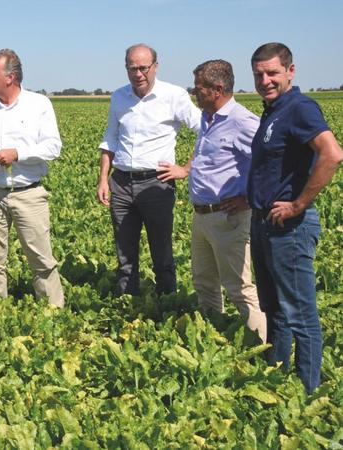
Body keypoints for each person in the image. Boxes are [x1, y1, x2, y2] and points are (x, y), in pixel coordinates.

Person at [248, 42, 343, 393]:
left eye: (272, 72)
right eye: (259, 74)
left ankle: (308, 394)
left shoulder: (300, 107)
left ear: (291, 71)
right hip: (264, 224)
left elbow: (332, 154)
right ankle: (276, 378)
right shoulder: (273, 110)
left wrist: (298, 204)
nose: (265, 80)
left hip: (289, 227)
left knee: (300, 314)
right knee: (274, 307)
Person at [159, 60, 266, 342]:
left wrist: (249, 198)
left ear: (217, 89)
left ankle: (266, 351)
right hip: (202, 215)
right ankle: (213, 334)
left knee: (239, 287)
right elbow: (205, 156)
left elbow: (270, 164)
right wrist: (185, 168)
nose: (194, 94)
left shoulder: (242, 122)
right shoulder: (208, 118)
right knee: (204, 282)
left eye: (199, 89)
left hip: (228, 217)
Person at [0, 49, 64, 307]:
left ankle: (53, 311)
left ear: (11, 77)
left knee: (41, 259)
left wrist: (17, 154)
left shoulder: (39, 105)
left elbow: (53, 147)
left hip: (28, 193)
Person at [97, 43, 201, 296]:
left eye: (144, 67)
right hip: (120, 183)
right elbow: (111, 138)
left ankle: (167, 303)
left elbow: (206, 130)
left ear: (156, 66)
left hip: (156, 184)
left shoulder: (174, 95)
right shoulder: (119, 97)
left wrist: (186, 168)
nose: (138, 73)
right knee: (124, 253)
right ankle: (126, 302)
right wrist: (103, 179)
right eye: (132, 68)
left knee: (162, 251)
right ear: (126, 69)